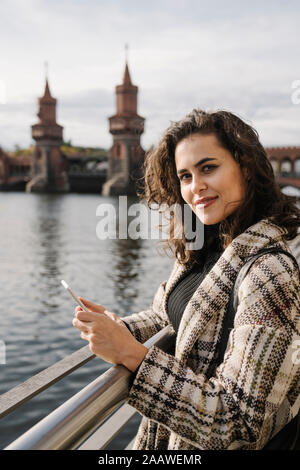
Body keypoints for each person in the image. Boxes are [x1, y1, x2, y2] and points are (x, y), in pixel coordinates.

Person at [72, 109, 300, 450]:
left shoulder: (269, 273)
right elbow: (171, 313)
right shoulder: (205, 248)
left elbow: (237, 421)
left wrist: (131, 354)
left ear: (246, 167)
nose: (196, 187)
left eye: (209, 168)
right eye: (185, 176)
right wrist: (120, 327)